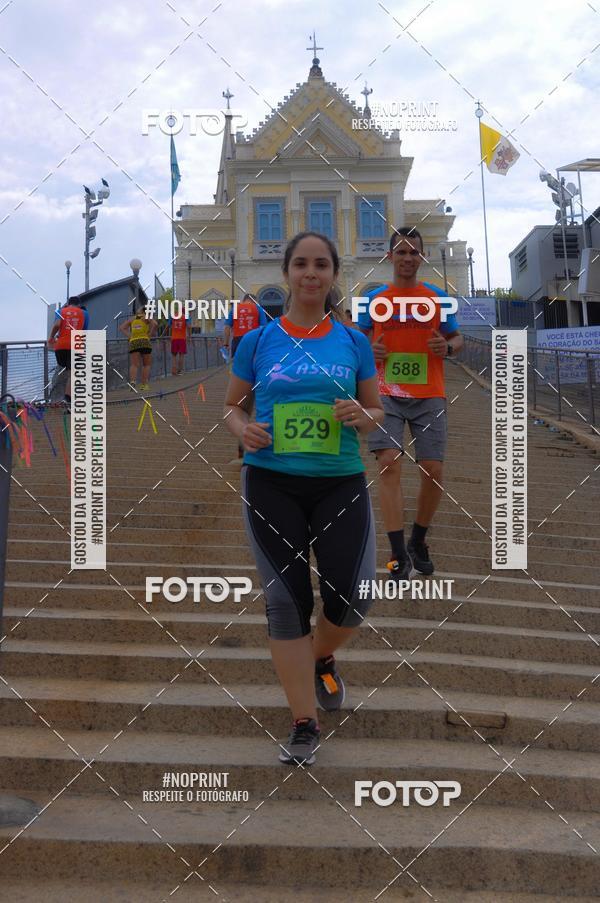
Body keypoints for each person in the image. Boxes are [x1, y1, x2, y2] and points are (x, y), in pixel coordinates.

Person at [224, 232, 383, 767]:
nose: (310, 273)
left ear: (333, 274)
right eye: (300, 264)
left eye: (320, 264)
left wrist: (363, 416)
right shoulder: (256, 342)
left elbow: (376, 410)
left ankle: (319, 656)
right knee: (286, 602)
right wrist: (242, 429)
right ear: (287, 272)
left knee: (354, 595)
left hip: (340, 481)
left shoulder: (354, 342)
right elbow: (232, 407)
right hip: (271, 482)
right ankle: (303, 722)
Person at [358, 226, 463, 579]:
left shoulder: (437, 298)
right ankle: (397, 552)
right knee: (388, 463)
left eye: (413, 252)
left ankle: (418, 540)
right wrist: (368, 350)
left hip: (429, 393)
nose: (407, 258)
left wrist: (446, 348)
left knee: (433, 470)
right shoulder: (374, 299)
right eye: (401, 252)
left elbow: (457, 338)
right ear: (389, 256)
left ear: (422, 257)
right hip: (384, 392)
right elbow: (357, 339)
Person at [48, 296, 89, 406]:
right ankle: (68, 399)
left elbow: (57, 325)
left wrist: (51, 338)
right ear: (79, 304)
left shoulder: (60, 311)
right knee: (73, 374)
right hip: (76, 345)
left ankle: (55, 399)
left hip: (60, 347)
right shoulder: (84, 313)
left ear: (68, 303)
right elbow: (84, 331)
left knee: (61, 370)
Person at [119, 308, 158, 390]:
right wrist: (150, 334)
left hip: (134, 342)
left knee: (134, 365)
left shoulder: (132, 318)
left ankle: (132, 383)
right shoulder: (146, 317)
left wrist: (130, 336)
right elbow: (155, 324)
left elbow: (122, 327)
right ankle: (144, 385)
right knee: (146, 364)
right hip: (144, 341)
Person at [223, 292, 268, 358]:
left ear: (243, 300)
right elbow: (264, 328)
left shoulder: (234, 309)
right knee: (253, 361)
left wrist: (226, 344)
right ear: (254, 301)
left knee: (237, 361)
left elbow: (227, 327)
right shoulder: (258, 309)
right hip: (253, 340)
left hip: (238, 340)